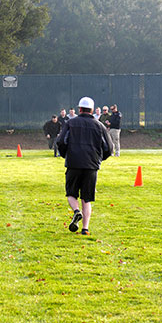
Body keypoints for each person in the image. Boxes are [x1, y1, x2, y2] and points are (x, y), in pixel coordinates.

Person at [56, 97, 113, 236]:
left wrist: (66, 155)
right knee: (87, 198)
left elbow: (60, 142)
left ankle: (76, 211)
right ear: (92, 110)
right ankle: (85, 229)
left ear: (79, 109)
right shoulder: (99, 125)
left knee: (71, 193)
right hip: (91, 165)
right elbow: (109, 148)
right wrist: (99, 159)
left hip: (74, 164)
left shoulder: (71, 123)